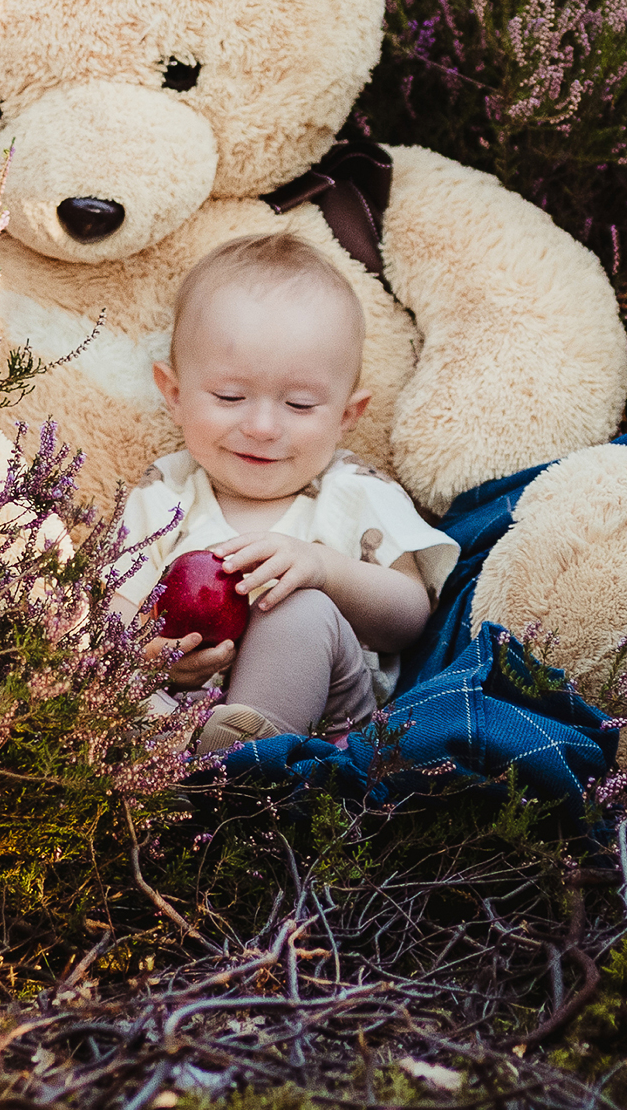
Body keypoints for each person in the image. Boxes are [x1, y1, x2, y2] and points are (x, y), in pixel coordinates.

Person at [115, 233, 458, 756]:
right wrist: (150, 657)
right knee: (108, 689)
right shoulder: (162, 497)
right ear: (175, 395)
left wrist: (322, 569)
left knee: (298, 608)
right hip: (181, 718)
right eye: (230, 397)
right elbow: (109, 612)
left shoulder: (356, 493)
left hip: (332, 723)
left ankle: (255, 764)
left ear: (347, 416)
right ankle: (188, 781)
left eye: (299, 405)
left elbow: (410, 617)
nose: (261, 426)